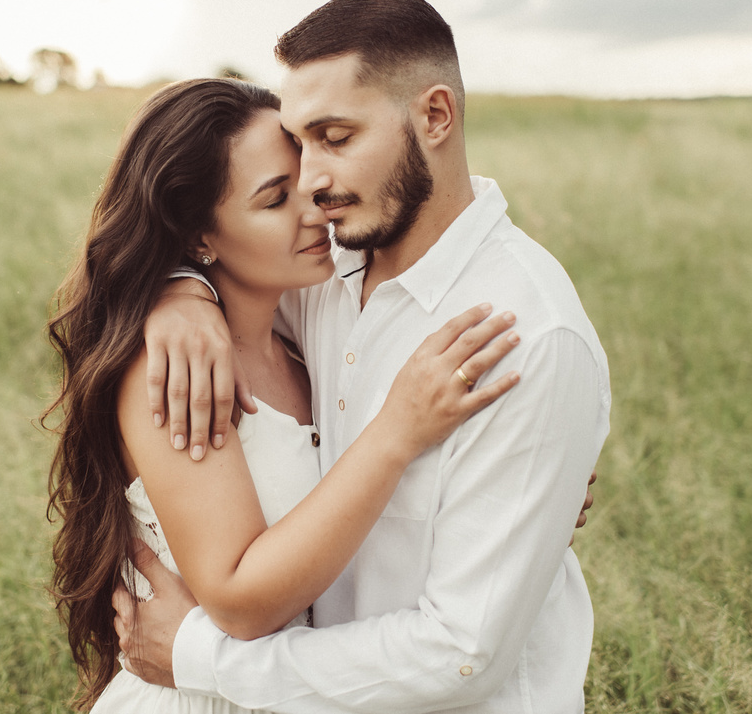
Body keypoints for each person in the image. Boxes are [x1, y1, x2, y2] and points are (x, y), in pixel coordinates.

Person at [117, 0, 610, 712]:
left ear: (434, 115)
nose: (313, 183)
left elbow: (459, 654)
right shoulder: (328, 270)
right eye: (300, 144)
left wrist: (201, 655)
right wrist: (176, 290)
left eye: (336, 138)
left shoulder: (527, 334)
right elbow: (212, 247)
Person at [43, 77, 528, 711]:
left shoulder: (305, 326)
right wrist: (398, 431)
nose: (314, 210)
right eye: (275, 200)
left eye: (304, 183)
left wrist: (511, 479)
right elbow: (243, 603)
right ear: (198, 237)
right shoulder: (174, 376)